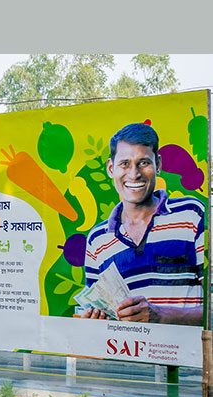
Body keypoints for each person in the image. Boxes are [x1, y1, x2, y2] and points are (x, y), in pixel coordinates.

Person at [82, 122, 205, 325]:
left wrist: (160, 315)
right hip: (123, 347)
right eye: (125, 164)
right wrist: (94, 320)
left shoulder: (192, 214)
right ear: (111, 168)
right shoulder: (97, 239)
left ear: (158, 164)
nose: (134, 174)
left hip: (187, 347)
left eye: (144, 163)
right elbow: (100, 318)